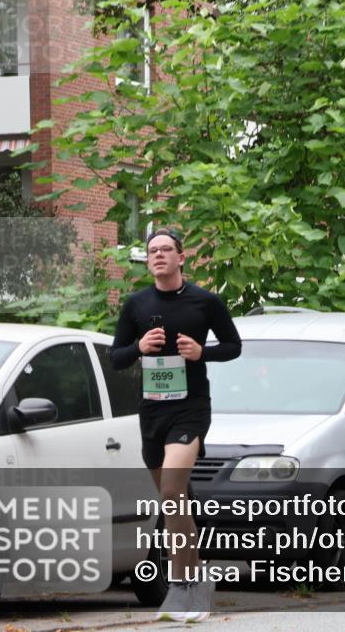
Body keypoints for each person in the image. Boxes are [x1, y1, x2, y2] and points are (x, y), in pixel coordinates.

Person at [110, 228, 242, 622]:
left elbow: (233, 345)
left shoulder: (205, 302)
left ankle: (182, 586)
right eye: (153, 251)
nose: (159, 255)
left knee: (171, 488)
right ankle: (198, 580)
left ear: (181, 258)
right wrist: (139, 348)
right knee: (174, 500)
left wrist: (202, 353)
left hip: (191, 409)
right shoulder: (136, 304)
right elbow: (116, 357)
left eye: (166, 249)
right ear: (147, 260)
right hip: (152, 412)